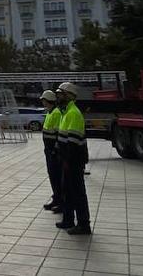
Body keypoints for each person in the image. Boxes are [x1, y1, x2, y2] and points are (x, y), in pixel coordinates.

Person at [54, 82, 91, 235]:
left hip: (73, 161)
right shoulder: (65, 113)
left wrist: (68, 160)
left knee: (77, 192)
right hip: (66, 160)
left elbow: (73, 143)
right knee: (68, 191)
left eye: (60, 94)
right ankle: (68, 219)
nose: (58, 97)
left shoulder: (73, 114)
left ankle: (84, 224)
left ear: (69, 96)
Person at [38, 89, 64, 212]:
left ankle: (61, 201)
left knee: (57, 176)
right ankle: (56, 198)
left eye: (43, 100)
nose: (42, 102)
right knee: (52, 176)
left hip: (55, 151)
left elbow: (59, 134)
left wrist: (55, 150)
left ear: (47, 100)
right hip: (49, 150)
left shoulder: (56, 113)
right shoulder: (49, 112)